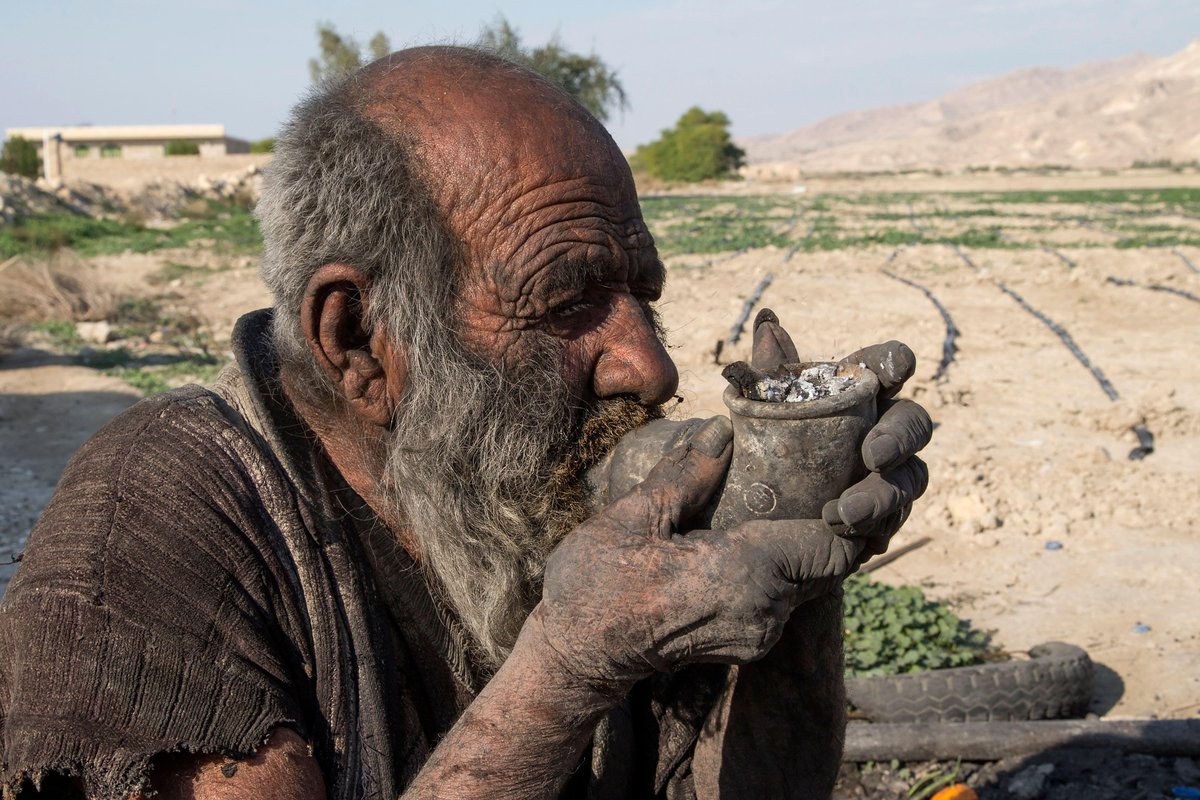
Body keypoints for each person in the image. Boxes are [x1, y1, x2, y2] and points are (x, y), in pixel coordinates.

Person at [0, 47, 930, 799]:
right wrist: (567, 671)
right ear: (358, 339)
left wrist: (801, 535)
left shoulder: (520, 487)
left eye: (641, 297)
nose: (652, 368)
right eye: (566, 302)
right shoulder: (155, 528)